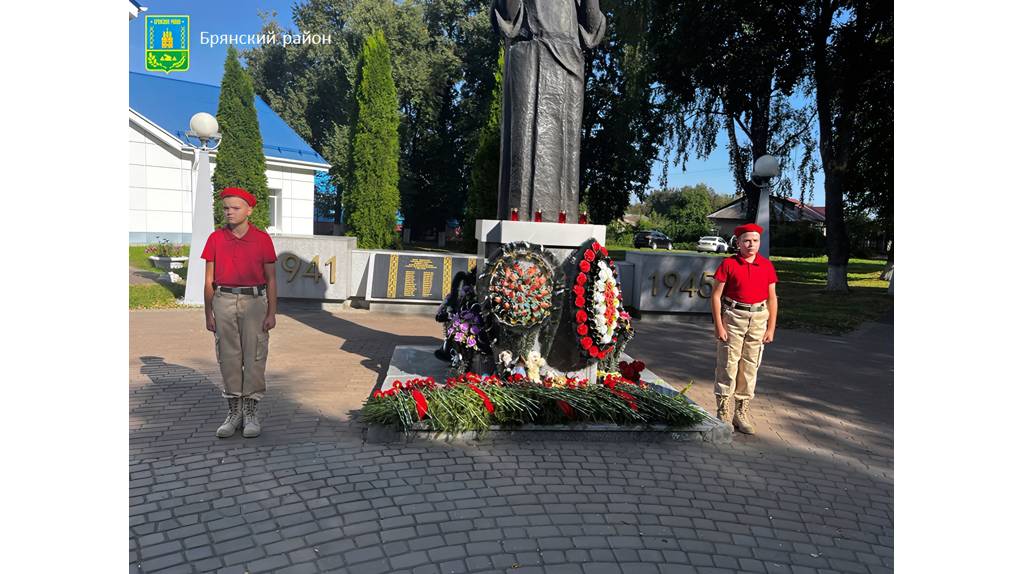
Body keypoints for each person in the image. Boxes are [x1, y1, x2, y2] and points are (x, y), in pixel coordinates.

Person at [201, 187, 278, 438]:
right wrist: (208, 314)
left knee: (255, 356)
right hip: (223, 300)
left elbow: (272, 279)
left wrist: (271, 313)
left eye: (235, 208)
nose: (230, 212)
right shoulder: (215, 238)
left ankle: (251, 413)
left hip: (255, 302)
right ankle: (234, 413)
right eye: (226, 208)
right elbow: (208, 279)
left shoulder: (262, 239)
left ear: (249, 210)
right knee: (228, 356)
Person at [710, 223, 778, 435]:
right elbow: (715, 296)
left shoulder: (766, 266)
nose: (751, 245)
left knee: (750, 366)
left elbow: (772, 298)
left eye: (755, 241)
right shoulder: (729, 264)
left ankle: (741, 412)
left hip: (758, 318)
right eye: (746, 241)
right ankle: (723, 411)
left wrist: (771, 328)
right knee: (728, 364)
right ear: (737, 242)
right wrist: (719, 326)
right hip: (733, 317)